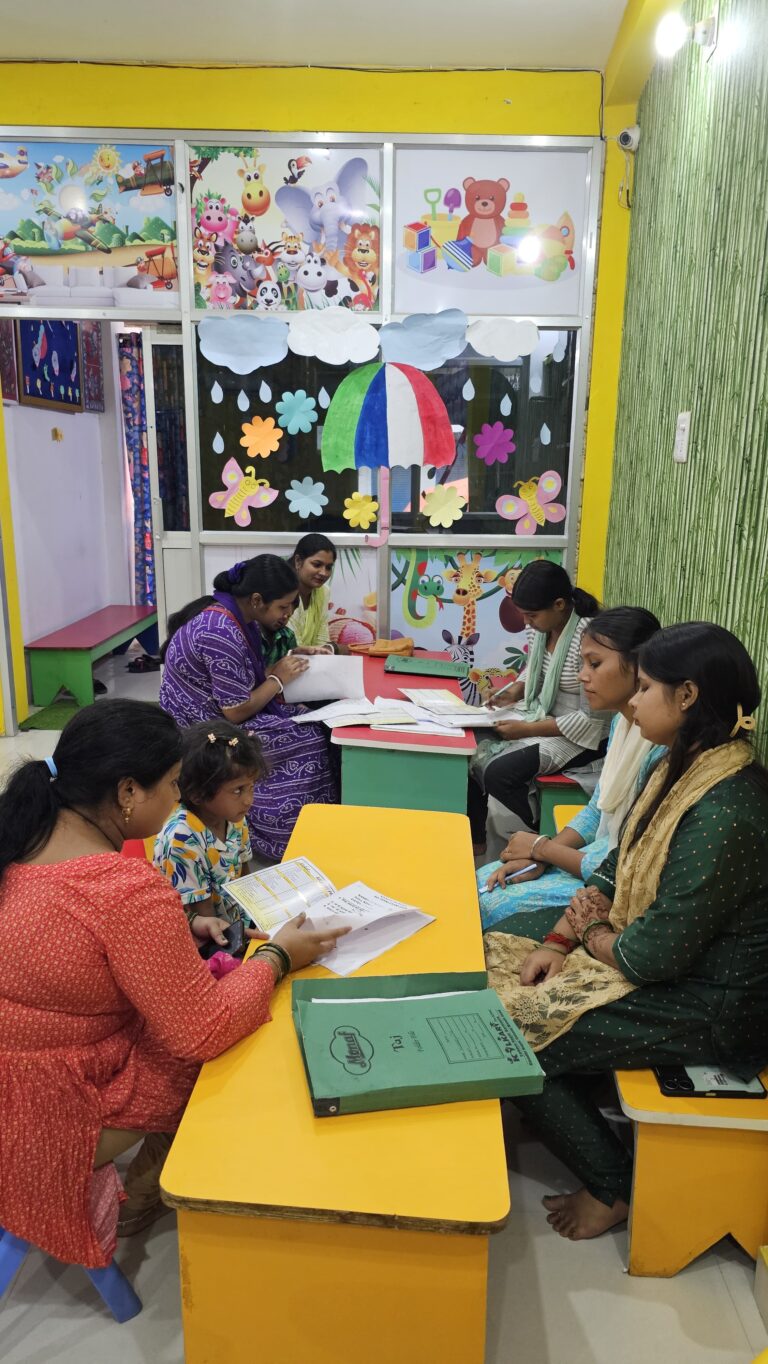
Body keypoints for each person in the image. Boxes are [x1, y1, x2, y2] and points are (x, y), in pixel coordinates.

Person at [0, 700, 347, 1268]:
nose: (177, 797)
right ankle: (155, 1191)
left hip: (21, 1069)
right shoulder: (122, 888)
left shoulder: (21, 835)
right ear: (128, 791)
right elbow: (203, 1032)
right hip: (46, 1107)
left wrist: (184, 927)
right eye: (171, 784)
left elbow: (75, 957)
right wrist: (280, 955)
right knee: (237, 1037)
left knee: (212, 989)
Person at [483, 623, 768, 1243]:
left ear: (687, 696)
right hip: (655, 957)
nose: (632, 702)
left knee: (513, 1034)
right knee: (498, 951)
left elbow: (648, 957)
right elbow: (615, 868)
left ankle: (611, 1185)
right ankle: (561, 1092)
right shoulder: (674, 765)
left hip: (710, 1005)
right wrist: (560, 938)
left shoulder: (724, 811)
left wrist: (588, 937)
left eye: (643, 688)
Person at [477, 606, 663, 930]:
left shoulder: (660, 752)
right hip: (596, 859)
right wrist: (536, 858)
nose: (582, 676)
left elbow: (624, 869)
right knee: (483, 878)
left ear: (637, 666)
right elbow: (596, 811)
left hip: (616, 884)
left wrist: (542, 848)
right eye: (582, 664)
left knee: (490, 902)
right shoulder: (622, 723)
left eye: (595, 664)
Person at [159, 555, 337, 861]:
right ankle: (286, 841)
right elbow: (235, 710)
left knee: (316, 722)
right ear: (256, 600)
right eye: (283, 606)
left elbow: (241, 678)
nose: (287, 614)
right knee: (310, 740)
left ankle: (315, 831)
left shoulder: (236, 619)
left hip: (219, 713)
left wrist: (289, 658)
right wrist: (278, 678)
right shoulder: (219, 631)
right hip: (201, 726)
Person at [468, 561, 612, 850]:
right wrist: (512, 693)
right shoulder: (541, 628)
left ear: (559, 604)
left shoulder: (589, 639)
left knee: (499, 774)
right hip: (542, 715)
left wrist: (527, 730)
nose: (526, 622)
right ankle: (477, 839)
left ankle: (539, 826)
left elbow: (591, 720)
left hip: (581, 735)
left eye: (531, 615)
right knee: (471, 743)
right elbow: (534, 670)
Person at [154, 719, 265, 951]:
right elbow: (209, 931)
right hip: (210, 941)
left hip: (237, 922)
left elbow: (245, 877)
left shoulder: (234, 817)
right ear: (197, 794)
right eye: (238, 790)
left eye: (251, 786)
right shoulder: (182, 840)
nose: (249, 800)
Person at [287, 533, 341, 653]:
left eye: (328, 567)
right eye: (317, 565)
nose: (324, 573)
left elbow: (321, 640)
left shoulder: (323, 592)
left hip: (308, 661)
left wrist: (327, 649)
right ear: (298, 561)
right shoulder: (284, 591)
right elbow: (293, 647)